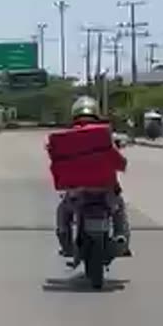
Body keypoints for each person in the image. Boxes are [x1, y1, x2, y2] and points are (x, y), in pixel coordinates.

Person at [55, 96, 132, 258]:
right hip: (105, 189)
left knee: (63, 212)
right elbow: (118, 160)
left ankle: (66, 243)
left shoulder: (66, 136)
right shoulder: (105, 134)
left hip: (78, 190)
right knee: (119, 209)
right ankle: (121, 238)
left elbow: (56, 160)